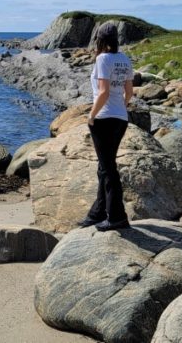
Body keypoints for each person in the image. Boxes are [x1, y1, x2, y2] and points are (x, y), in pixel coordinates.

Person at [77, 24, 134, 231]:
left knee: (108, 169)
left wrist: (91, 116)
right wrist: (121, 108)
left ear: (99, 39)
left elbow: (103, 92)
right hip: (120, 118)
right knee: (104, 167)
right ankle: (98, 212)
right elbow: (129, 91)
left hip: (103, 118)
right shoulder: (124, 59)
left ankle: (117, 216)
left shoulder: (102, 59)